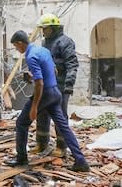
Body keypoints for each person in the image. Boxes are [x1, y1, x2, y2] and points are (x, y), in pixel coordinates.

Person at [5, 30, 89, 172]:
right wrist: (35, 77)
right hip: (55, 92)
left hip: (45, 93)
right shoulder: (42, 50)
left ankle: (21, 159)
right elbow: (54, 71)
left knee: (21, 123)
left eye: (15, 46)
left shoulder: (31, 56)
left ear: (20, 43)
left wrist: (34, 106)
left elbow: (40, 84)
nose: (16, 49)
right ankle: (81, 161)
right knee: (64, 127)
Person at [31, 13, 79, 158]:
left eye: (45, 29)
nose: (43, 32)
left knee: (60, 117)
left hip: (61, 85)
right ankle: (42, 143)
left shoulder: (65, 42)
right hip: (47, 85)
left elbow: (72, 65)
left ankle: (61, 147)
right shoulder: (46, 43)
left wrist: (69, 86)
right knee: (42, 114)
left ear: (53, 28)